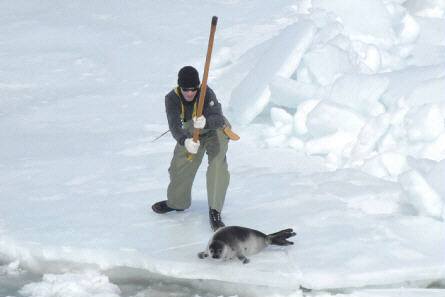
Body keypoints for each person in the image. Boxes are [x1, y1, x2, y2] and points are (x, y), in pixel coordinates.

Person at [152, 66, 231, 231]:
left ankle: (215, 211)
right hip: (190, 133)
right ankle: (177, 203)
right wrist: (184, 141)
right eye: (185, 90)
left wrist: (206, 122)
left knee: (217, 165)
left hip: (215, 130)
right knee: (179, 165)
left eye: (193, 89)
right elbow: (174, 125)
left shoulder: (206, 93)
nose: (189, 93)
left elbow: (217, 116)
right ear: (179, 87)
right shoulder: (171, 99)